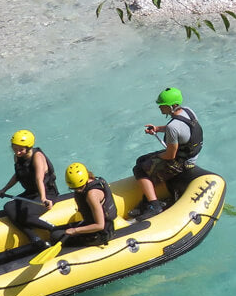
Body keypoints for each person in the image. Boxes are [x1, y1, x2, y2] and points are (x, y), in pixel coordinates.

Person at [128, 86, 202, 219]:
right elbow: (179, 130)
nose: (160, 108)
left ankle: (154, 205)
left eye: (163, 105)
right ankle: (148, 196)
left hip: (181, 162)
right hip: (189, 155)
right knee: (141, 159)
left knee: (139, 169)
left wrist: (154, 159)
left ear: (173, 106)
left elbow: (170, 155)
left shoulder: (173, 127)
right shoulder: (187, 111)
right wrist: (157, 129)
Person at [0, 129, 57, 246]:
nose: (17, 152)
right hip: (31, 193)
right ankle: (34, 237)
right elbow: (18, 175)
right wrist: (3, 190)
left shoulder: (37, 156)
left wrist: (43, 198)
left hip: (47, 193)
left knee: (26, 214)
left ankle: (54, 229)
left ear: (29, 148)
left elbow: (39, 179)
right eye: (15, 148)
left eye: (21, 149)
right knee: (9, 207)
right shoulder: (17, 157)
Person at [51, 163, 117, 247]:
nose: (78, 191)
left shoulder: (92, 195)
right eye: (74, 189)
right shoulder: (90, 181)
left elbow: (100, 225)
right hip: (90, 224)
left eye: (80, 187)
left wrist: (75, 230)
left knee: (56, 236)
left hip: (102, 233)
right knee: (55, 232)